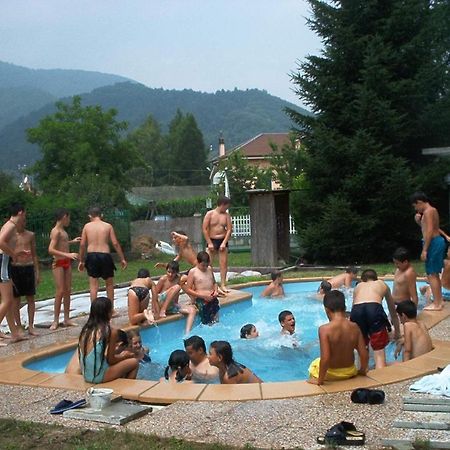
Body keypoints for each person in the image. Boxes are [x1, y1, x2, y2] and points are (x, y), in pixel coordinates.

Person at [308, 290, 368, 385]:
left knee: (314, 365)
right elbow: (364, 353)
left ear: (326, 309)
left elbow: (326, 358)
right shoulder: (354, 327)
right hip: (350, 371)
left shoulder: (324, 329)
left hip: (331, 374)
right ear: (344, 307)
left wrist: (320, 380)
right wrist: (362, 370)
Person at [78, 206, 127, 316]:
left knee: (93, 285)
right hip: (105, 255)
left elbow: (82, 244)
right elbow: (115, 243)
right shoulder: (108, 226)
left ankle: (94, 312)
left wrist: (81, 260)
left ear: (90, 216)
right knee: (109, 284)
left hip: (91, 255)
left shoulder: (87, 226)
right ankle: (111, 310)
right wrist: (122, 258)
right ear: (102, 215)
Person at [78, 297, 139, 383]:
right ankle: (126, 391)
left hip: (87, 376)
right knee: (134, 362)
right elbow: (111, 360)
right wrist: (125, 356)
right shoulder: (110, 332)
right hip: (99, 377)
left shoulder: (85, 330)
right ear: (107, 313)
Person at [350, 269, 401, 369]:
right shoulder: (382, 284)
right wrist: (397, 333)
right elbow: (393, 312)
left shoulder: (358, 287)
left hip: (357, 311)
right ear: (376, 278)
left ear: (363, 280)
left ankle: (362, 373)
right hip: (374, 309)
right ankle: (380, 377)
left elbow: (353, 312)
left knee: (361, 347)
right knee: (379, 353)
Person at [0, 203, 30, 343]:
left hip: (4, 262)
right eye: (24, 213)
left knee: (9, 300)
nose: (25, 216)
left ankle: (14, 333)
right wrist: (13, 254)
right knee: (7, 300)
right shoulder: (11, 226)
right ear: (20, 212)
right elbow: (0, 242)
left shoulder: (9, 225)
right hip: (3, 263)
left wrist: (17, 252)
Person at [411, 192, 446, 311]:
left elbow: (430, 231)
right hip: (436, 241)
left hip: (433, 243)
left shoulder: (428, 211)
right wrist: (419, 221)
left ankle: (437, 304)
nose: (416, 209)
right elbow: (429, 228)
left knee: (432, 274)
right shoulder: (432, 210)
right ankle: (439, 301)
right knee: (434, 273)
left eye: (415, 206)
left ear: (420, 202)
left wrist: (425, 250)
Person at [48, 208, 80, 331]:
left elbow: (62, 243)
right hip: (59, 262)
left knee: (67, 290)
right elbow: (51, 249)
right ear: (64, 217)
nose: (69, 220)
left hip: (66, 262)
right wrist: (68, 255)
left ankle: (66, 319)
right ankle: (55, 320)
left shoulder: (63, 232)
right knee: (60, 290)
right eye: (69, 218)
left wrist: (72, 242)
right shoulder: (56, 231)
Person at [11, 222, 40, 335]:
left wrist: (37, 272)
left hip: (28, 267)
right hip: (15, 268)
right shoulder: (11, 237)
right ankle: (18, 327)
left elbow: (34, 254)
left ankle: (31, 326)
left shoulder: (30, 235)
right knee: (16, 300)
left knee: (30, 298)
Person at [156, 261, 197, 334]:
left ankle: (187, 333)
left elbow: (189, 285)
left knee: (192, 310)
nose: (170, 275)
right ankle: (163, 310)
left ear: (176, 272)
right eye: (168, 272)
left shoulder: (179, 279)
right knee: (177, 287)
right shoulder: (163, 279)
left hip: (171, 306)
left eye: (173, 273)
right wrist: (156, 310)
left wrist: (193, 299)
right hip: (161, 303)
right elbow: (155, 295)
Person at [202, 196, 233, 294]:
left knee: (223, 264)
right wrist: (209, 242)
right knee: (208, 264)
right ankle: (211, 284)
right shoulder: (210, 214)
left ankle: (223, 284)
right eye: (226, 206)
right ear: (222, 204)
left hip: (222, 240)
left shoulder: (226, 215)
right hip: (212, 240)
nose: (227, 208)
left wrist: (224, 242)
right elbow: (205, 229)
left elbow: (229, 229)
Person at [185, 251, 220, 325]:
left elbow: (214, 283)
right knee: (206, 322)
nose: (205, 267)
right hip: (201, 300)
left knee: (216, 322)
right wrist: (203, 296)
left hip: (212, 297)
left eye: (206, 265)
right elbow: (188, 289)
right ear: (198, 262)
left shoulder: (209, 269)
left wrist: (216, 291)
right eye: (203, 265)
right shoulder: (193, 272)